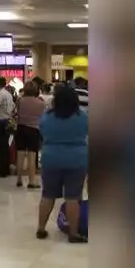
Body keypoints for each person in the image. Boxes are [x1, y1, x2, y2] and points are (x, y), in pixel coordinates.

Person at [36, 85, 88, 243]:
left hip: (51, 159)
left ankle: (41, 228)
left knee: (47, 195)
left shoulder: (47, 117)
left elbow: (42, 133)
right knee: (73, 197)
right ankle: (73, 233)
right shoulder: (83, 117)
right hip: (76, 160)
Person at [15, 81, 44, 189]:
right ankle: (32, 181)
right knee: (32, 156)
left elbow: (16, 112)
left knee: (20, 154)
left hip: (21, 127)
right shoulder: (40, 103)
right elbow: (42, 117)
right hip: (34, 129)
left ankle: (19, 179)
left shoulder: (20, 100)